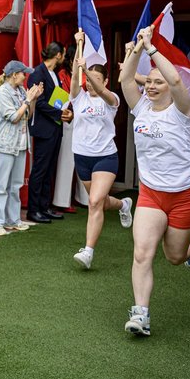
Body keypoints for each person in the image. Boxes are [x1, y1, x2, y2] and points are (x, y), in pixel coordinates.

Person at [118, 26, 190, 337]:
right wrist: (137, 49)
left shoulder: (182, 112)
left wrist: (153, 48)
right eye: (149, 81)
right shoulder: (141, 109)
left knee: (174, 257)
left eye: (158, 82)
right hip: (152, 195)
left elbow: (179, 80)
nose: (151, 86)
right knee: (142, 252)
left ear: (168, 86)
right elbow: (126, 80)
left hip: (186, 196)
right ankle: (140, 314)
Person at [69, 34, 133, 269]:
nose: (89, 83)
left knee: (94, 202)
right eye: (88, 79)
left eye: (96, 79)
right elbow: (76, 77)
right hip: (82, 156)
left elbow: (98, 88)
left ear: (105, 81)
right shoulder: (78, 98)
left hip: (105, 156)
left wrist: (88, 73)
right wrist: (79, 45)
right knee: (101, 202)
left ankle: (88, 251)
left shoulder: (111, 99)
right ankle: (123, 205)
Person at [0, 61, 41, 235]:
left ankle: (12, 219)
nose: (25, 77)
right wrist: (28, 99)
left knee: (15, 185)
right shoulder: (2, 93)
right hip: (4, 144)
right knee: (0, 185)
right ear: (13, 74)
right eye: (22, 73)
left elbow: (27, 114)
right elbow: (13, 117)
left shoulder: (20, 91)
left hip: (20, 143)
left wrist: (33, 100)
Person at [27, 42, 72, 224]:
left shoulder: (53, 74)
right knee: (40, 170)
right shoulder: (38, 73)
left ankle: (45, 207)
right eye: (62, 54)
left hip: (55, 127)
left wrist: (65, 112)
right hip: (44, 128)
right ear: (58, 55)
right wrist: (59, 113)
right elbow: (38, 101)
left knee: (49, 169)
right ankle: (34, 209)